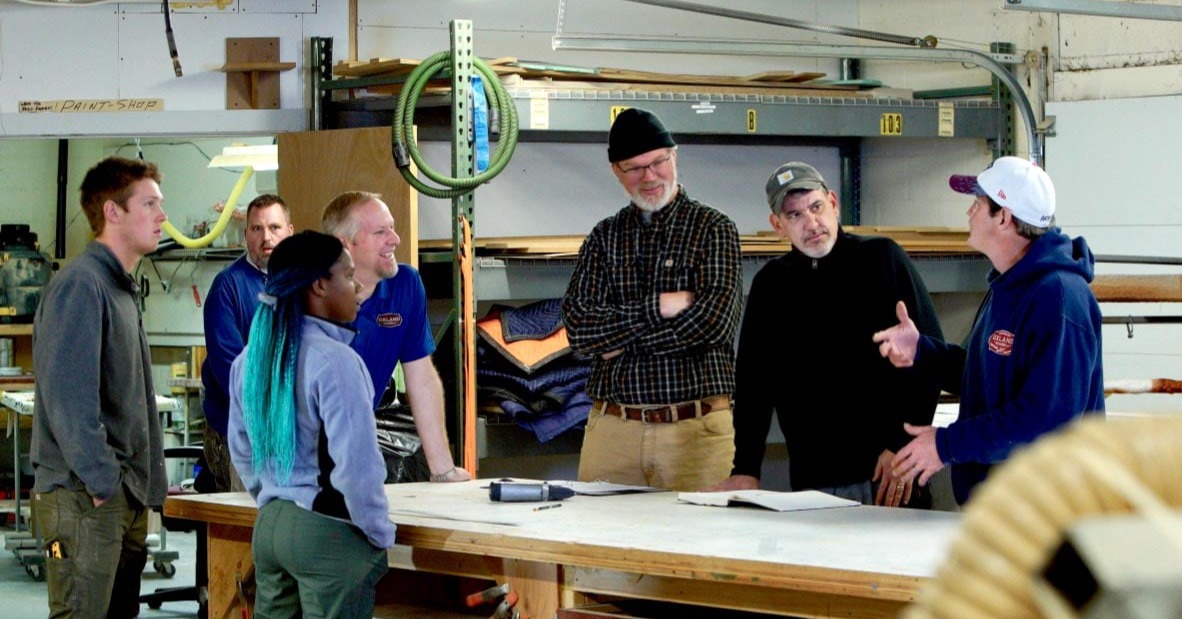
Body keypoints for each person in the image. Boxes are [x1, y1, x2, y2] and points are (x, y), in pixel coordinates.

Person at [711, 162, 945, 507]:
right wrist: (745, 466)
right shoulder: (771, 286)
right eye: (795, 216)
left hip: (887, 475)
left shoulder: (882, 259)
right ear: (778, 225)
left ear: (833, 203)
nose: (811, 223)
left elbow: (932, 359)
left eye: (816, 207)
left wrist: (901, 447)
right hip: (812, 481)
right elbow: (753, 386)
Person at [873, 156, 1104, 505]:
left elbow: (1045, 422)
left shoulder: (1057, 298)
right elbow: (986, 379)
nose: (969, 213)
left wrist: (945, 445)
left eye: (978, 204)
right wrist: (923, 351)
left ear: (1004, 217)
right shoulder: (1008, 287)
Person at [562, 108, 743, 491]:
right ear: (616, 171)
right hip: (613, 433)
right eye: (634, 168)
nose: (648, 177)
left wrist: (618, 343)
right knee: (600, 548)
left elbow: (713, 324)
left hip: (696, 432)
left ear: (673, 156)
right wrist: (658, 306)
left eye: (657, 163)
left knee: (701, 549)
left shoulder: (714, 229)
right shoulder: (603, 237)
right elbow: (580, 332)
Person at [227, 231, 392, 618]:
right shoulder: (336, 362)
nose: (358, 288)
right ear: (319, 284)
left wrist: (273, 497)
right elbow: (358, 465)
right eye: (348, 276)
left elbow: (241, 448)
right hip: (326, 531)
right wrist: (378, 533)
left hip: (270, 528)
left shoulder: (250, 360)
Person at [31, 156, 169, 618]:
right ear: (112, 212)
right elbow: (70, 402)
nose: (162, 216)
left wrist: (140, 489)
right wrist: (103, 483)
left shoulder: (120, 287)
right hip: (83, 499)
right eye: (148, 204)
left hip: (118, 497)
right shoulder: (81, 285)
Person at [320, 191, 471, 483]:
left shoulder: (406, 285)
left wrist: (443, 470)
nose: (395, 239)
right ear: (344, 244)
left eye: (391, 227)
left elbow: (422, 378)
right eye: (380, 232)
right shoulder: (309, 293)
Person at [201, 193, 295, 492]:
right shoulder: (227, 287)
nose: (266, 237)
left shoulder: (303, 286)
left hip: (289, 433)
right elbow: (230, 369)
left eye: (274, 228)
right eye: (257, 229)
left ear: (289, 232)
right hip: (241, 435)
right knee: (248, 525)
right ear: (246, 235)